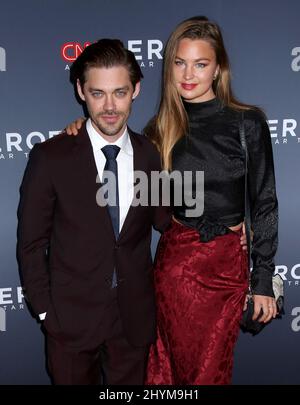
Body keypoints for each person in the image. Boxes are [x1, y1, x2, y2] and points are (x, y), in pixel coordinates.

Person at [17, 39, 171, 385]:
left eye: (119, 92)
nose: (110, 106)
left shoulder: (150, 154)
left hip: (132, 321)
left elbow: (166, 221)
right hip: (69, 322)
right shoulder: (51, 156)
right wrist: (44, 311)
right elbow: (30, 242)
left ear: (136, 90)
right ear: (80, 91)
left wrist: (229, 230)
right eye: (98, 93)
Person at [144, 16, 278, 384]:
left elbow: (264, 201)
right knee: (175, 369)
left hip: (226, 268)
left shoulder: (246, 123)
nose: (189, 73)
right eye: (180, 62)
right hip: (176, 270)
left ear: (218, 69)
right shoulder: (158, 130)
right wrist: (80, 131)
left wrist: (262, 277)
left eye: (200, 64)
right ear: (169, 65)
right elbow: (150, 207)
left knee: (208, 372)